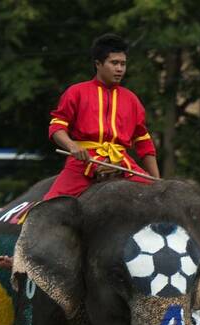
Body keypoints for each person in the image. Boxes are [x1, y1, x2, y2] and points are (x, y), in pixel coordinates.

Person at [44, 33, 159, 200]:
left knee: (160, 201)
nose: (120, 69)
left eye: (123, 64)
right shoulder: (76, 92)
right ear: (98, 64)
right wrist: (72, 146)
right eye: (114, 63)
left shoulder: (132, 99)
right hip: (82, 164)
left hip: (124, 164)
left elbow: (144, 143)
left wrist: (157, 181)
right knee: (50, 206)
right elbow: (57, 127)